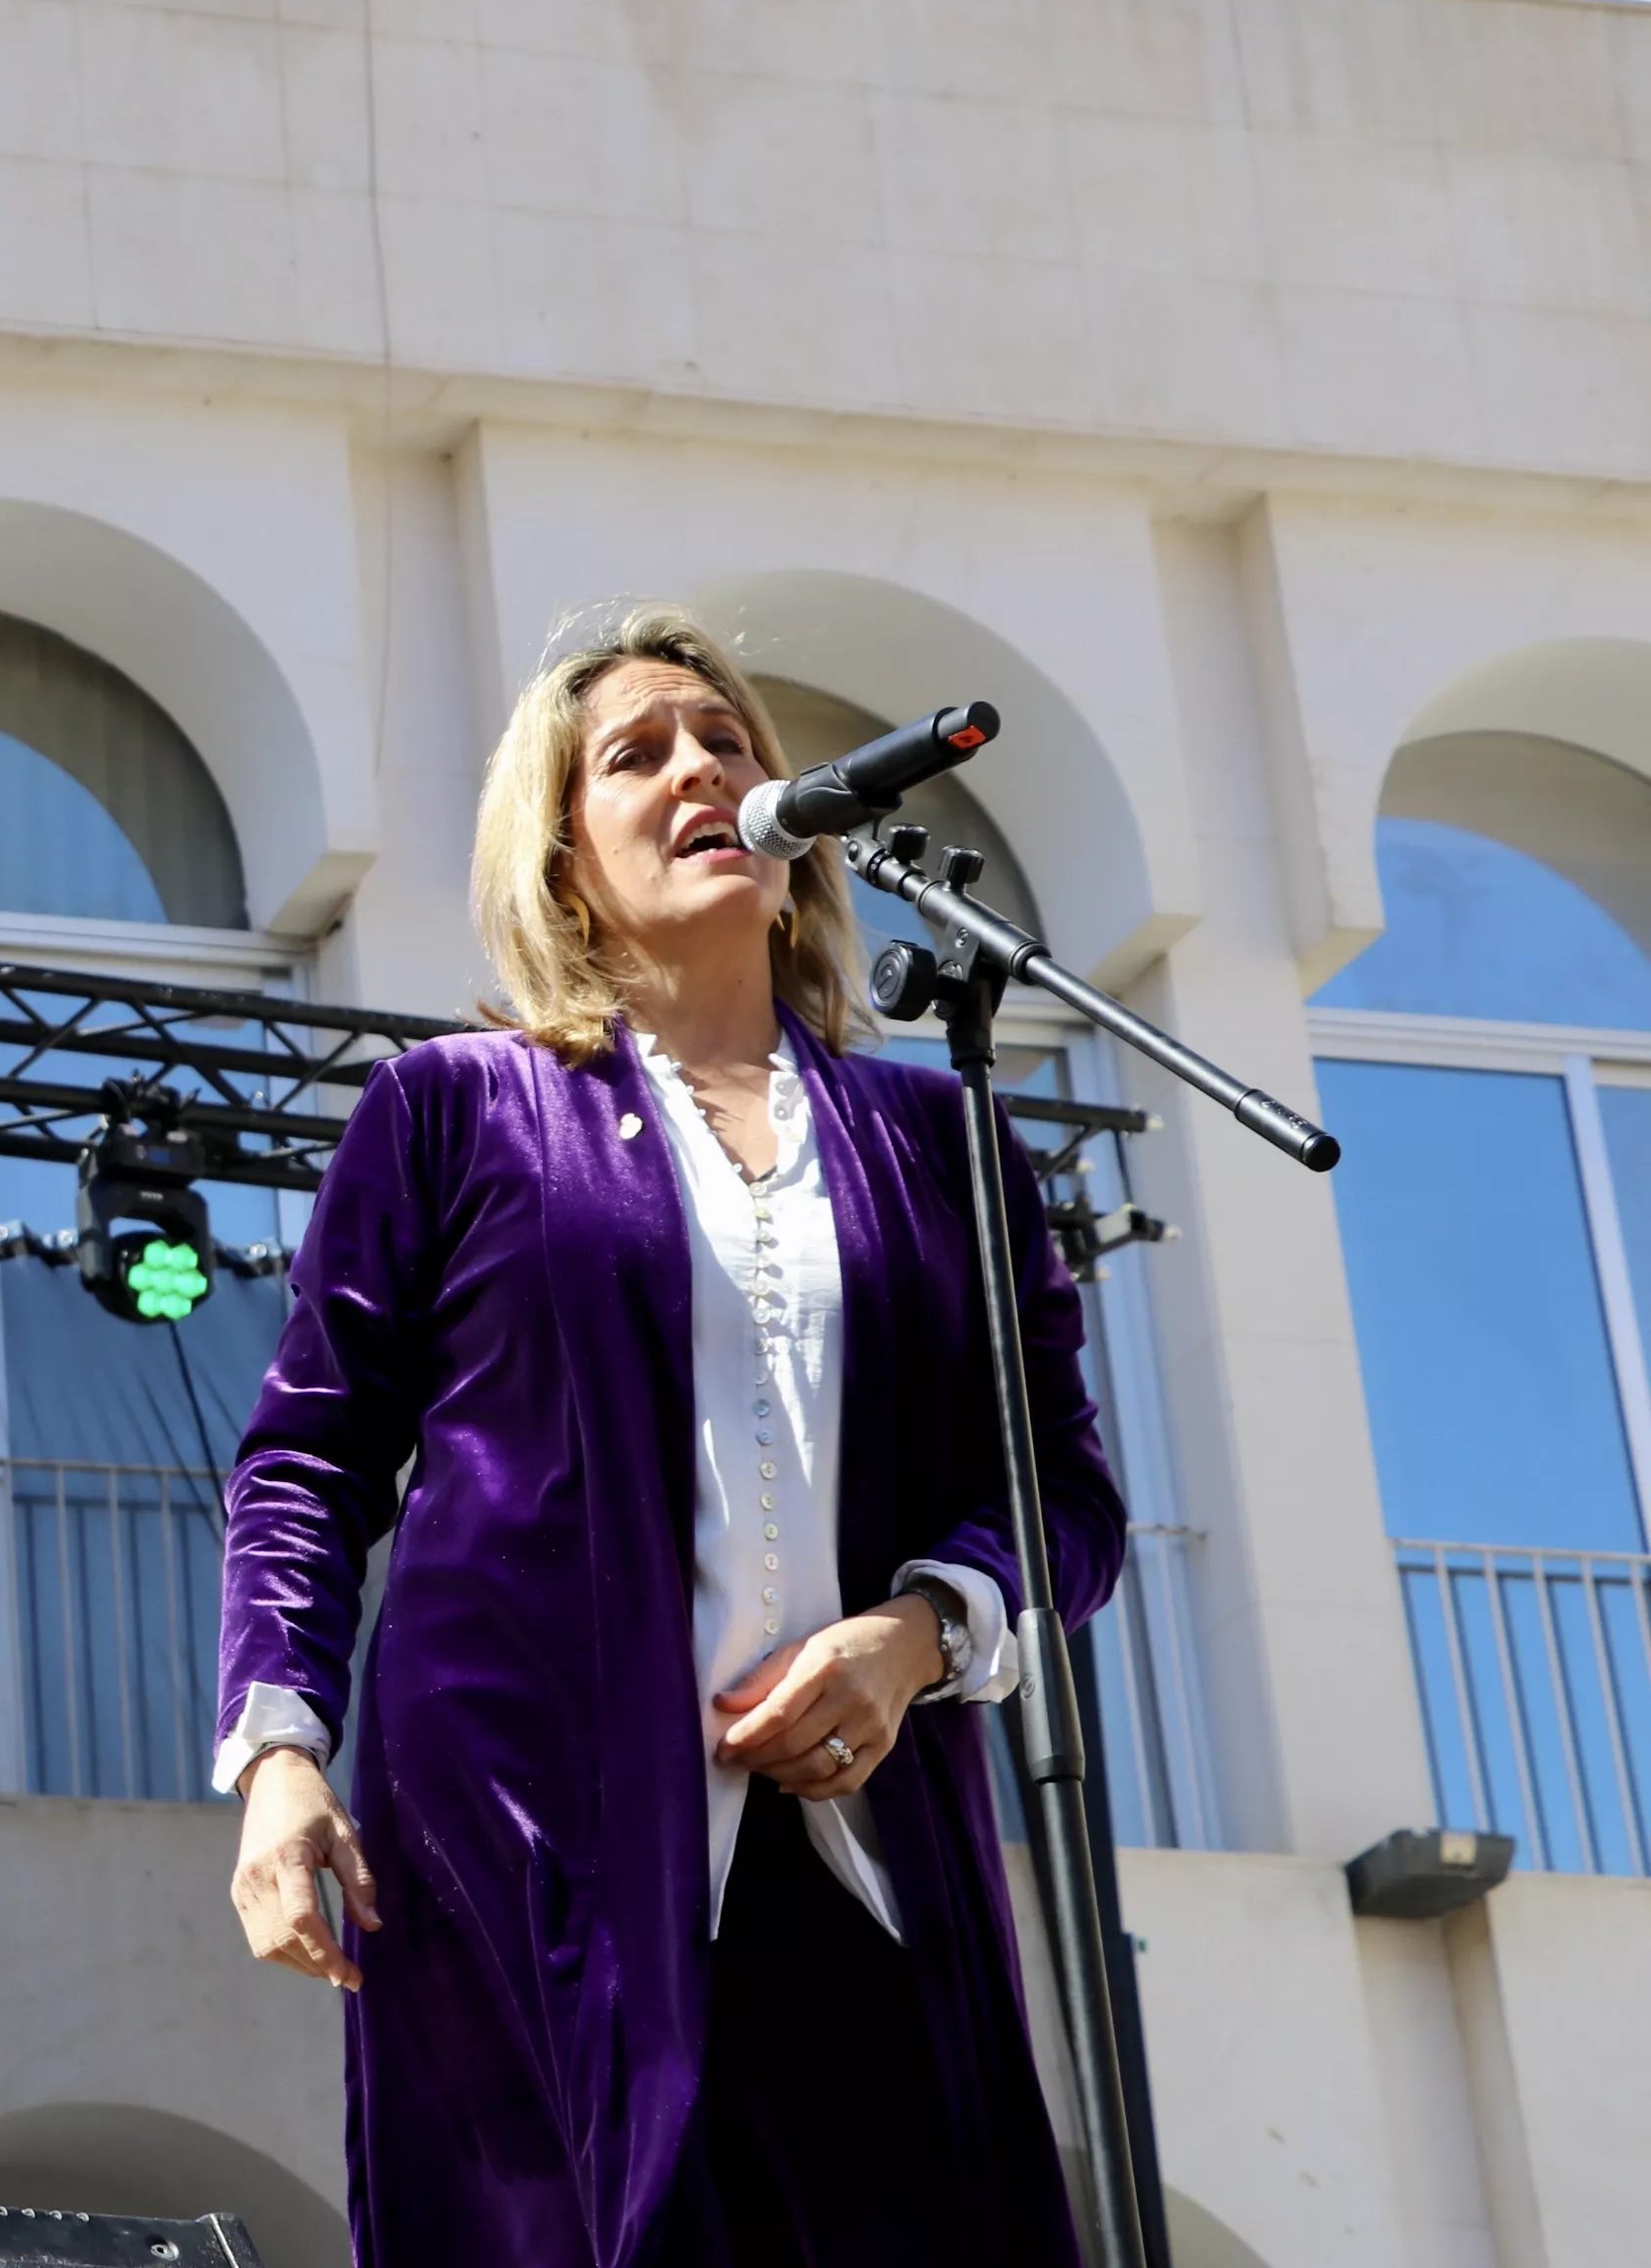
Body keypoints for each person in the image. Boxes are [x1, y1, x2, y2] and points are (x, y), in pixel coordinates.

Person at [214, 604, 1121, 2267]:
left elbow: (1063, 1491)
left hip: (867, 1855)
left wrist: (917, 1636)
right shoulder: (458, 1107)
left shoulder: (944, 1141)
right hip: (530, 1841)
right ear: (561, 862)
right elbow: (309, 1460)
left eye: (729, 742)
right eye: (637, 755)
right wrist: (279, 1754)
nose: (702, 767)